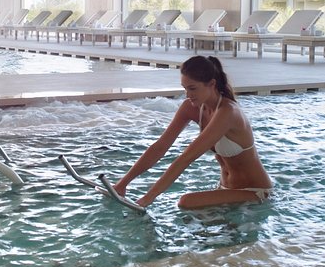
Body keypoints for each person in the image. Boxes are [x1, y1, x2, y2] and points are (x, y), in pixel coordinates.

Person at [113, 55, 272, 209]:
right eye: (185, 88)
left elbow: (186, 157)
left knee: (186, 202)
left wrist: (148, 198)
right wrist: (122, 184)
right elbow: (160, 147)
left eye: (193, 88)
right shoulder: (191, 107)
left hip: (255, 192)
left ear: (212, 84)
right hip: (225, 190)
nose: (188, 95)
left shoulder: (228, 112)